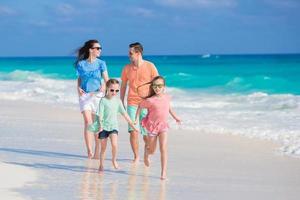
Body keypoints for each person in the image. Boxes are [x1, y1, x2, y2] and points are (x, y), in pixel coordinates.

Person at [135, 76, 181, 180]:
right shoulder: (150, 100)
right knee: (152, 150)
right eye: (155, 86)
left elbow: (169, 108)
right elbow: (140, 106)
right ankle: (147, 153)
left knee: (163, 149)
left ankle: (163, 173)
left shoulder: (167, 97)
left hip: (163, 126)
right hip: (152, 127)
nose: (157, 88)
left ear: (164, 87)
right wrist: (135, 119)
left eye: (159, 86)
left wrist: (175, 117)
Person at [120, 42, 159, 163]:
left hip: (147, 104)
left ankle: (147, 151)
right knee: (133, 132)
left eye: (131, 53)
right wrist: (121, 102)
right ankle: (136, 157)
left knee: (146, 134)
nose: (129, 55)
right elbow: (123, 85)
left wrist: (157, 100)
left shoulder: (150, 66)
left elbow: (158, 84)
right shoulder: (127, 68)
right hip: (132, 103)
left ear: (138, 53)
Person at [89, 79, 138, 172]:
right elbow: (100, 115)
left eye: (117, 90)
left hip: (113, 127)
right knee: (103, 148)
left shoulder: (118, 101)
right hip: (103, 127)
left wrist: (133, 125)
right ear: (107, 88)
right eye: (112, 90)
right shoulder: (103, 100)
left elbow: (125, 114)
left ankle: (114, 160)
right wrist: (100, 126)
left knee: (114, 145)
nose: (114, 92)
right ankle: (101, 165)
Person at [75, 39, 109, 159]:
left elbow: (106, 79)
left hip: (98, 96)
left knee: (97, 124)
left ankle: (96, 150)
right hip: (85, 96)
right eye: (97, 48)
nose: (100, 50)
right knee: (88, 123)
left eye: (100, 48)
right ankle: (89, 151)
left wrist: (105, 87)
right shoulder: (81, 64)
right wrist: (78, 88)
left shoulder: (101, 63)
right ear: (91, 50)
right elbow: (79, 78)